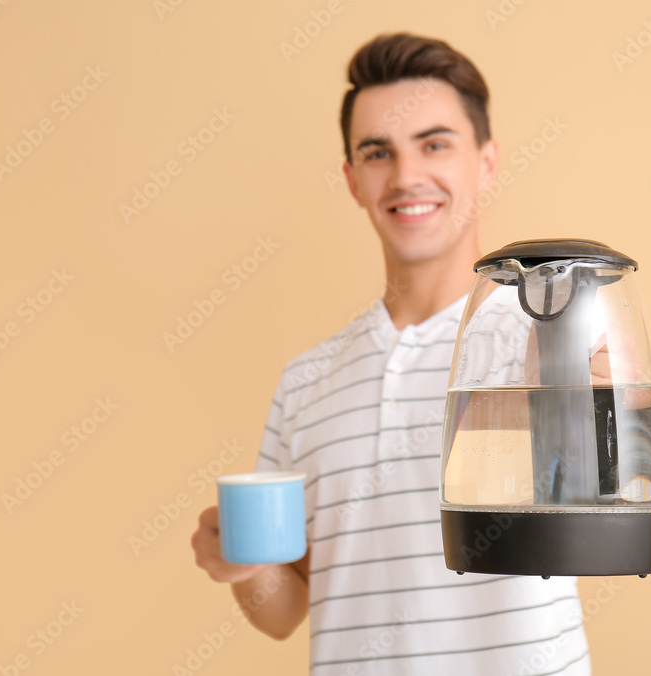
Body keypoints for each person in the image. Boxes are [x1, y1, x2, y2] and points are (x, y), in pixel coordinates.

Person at [191, 32, 591, 675]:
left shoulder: (550, 340)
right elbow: (285, 608)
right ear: (352, 180)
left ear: (486, 161)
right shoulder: (306, 381)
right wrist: (244, 566)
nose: (406, 176)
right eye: (378, 152)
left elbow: (603, 517)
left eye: (434, 144)